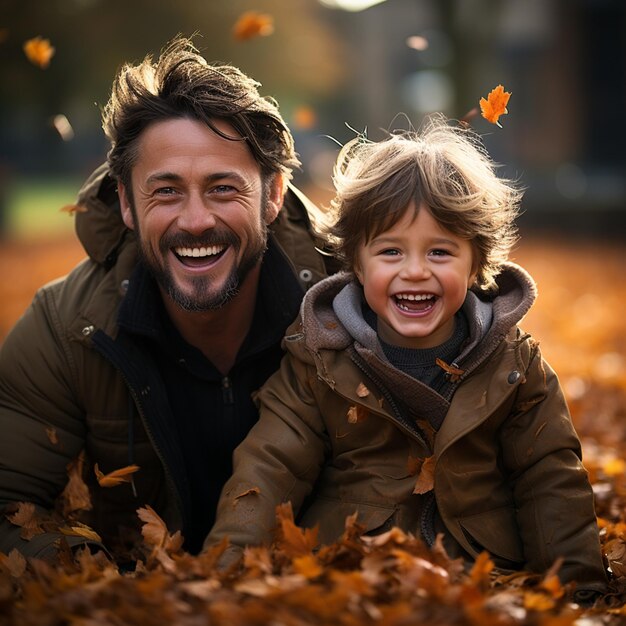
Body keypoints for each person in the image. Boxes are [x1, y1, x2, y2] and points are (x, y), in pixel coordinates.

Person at [206, 115, 608, 597]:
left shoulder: (513, 367)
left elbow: (549, 479)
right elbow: (271, 468)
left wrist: (576, 589)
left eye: (440, 252)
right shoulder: (320, 360)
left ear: (476, 262)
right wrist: (224, 576)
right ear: (356, 261)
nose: (415, 272)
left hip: (479, 579)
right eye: (391, 253)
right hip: (353, 576)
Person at [0, 37, 337, 561]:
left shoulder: (354, 309)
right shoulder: (64, 327)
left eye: (224, 188)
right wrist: (121, 598)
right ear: (126, 202)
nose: (196, 220)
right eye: (166, 191)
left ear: (271, 196)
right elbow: (5, 506)